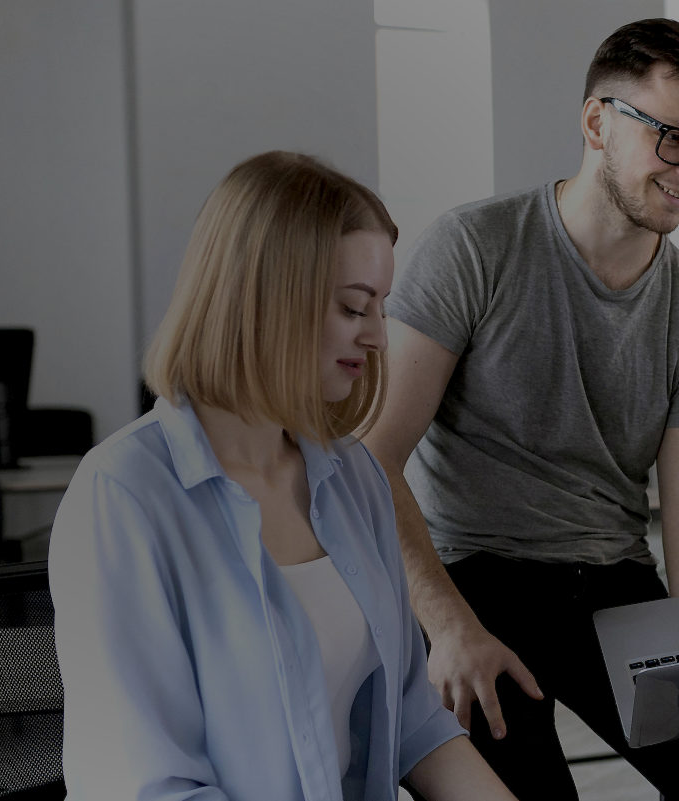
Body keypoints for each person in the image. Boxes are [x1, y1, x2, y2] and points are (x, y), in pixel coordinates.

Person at [361, 18, 679, 799]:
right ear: (597, 121)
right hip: (473, 578)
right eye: (674, 137)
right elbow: (370, 456)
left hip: (612, 583)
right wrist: (447, 626)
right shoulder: (474, 248)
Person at [51, 151, 515, 801]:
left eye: (382, 305)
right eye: (356, 308)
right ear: (265, 300)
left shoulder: (354, 477)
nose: (379, 336)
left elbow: (414, 720)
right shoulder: (123, 496)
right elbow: (149, 787)